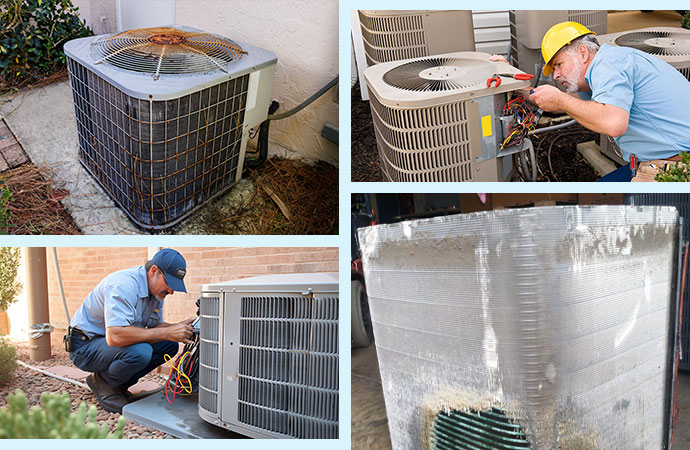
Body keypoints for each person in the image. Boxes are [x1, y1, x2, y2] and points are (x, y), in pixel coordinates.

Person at [495, 21, 690, 181]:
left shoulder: (609, 63)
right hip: (658, 159)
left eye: (558, 65)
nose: (555, 75)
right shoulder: (605, 69)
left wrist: (560, 100)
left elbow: (613, 123)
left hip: (676, 166)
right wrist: (513, 82)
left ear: (582, 52)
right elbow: (563, 104)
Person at [66, 248, 195, 413]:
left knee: (168, 346)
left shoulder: (156, 293)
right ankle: (104, 382)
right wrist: (166, 333)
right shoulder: (123, 284)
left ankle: (119, 385)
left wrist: (178, 327)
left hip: (108, 344)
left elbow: (155, 328)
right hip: (84, 346)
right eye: (169, 283)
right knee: (141, 351)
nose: (171, 291)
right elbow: (115, 336)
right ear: (153, 271)